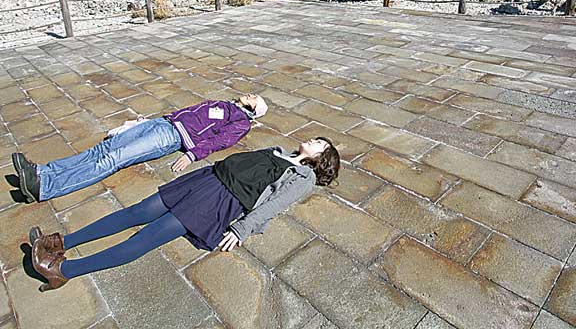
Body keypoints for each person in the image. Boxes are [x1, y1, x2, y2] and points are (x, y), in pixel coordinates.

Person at [29, 138, 340, 291]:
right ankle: (60, 243)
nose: (313, 141)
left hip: (218, 201)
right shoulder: (281, 152)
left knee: (145, 238)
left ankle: (64, 271)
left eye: (320, 144)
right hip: (206, 180)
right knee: (137, 211)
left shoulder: (303, 177)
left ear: (321, 158)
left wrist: (242, 230)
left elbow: (274, 204)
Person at [12, 94, 268, 203]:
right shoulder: (225, 105)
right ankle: (42, 172)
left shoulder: (241, 122)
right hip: (162, 122)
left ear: (254, 110)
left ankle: (44, 188)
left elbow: (219, 141)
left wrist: (191, 155)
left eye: (255, 98)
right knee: (100, 151)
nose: (251, 94)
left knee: (112, 159)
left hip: (170, 136)